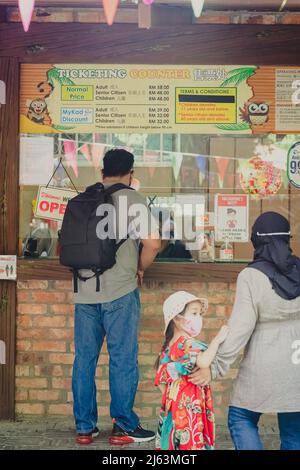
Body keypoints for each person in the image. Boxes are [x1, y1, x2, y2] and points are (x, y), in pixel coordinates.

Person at [72, 148, 161, 445]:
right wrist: (140, 268)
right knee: (122, 359)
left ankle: (85, 428)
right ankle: (123, 426)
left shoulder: (83, 199)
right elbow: (153, 242)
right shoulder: (132, 199)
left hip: (84, 292)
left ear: (102, 172)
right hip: (120, 290)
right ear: (131, 173)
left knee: (84, 360)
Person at [207, 211, 300, 450]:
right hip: (296, 364)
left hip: (263, 364)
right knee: (294, 432)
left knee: (240, 418)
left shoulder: (250, 276)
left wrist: (216, 366)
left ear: (257, 241)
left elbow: (240, 328)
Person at [154, 291, 229, 450]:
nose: (198, 318)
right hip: (189, 410)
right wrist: (218, 339)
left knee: (176, 443)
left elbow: (160, 380)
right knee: (191, 443)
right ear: (176, 318)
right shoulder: (186, 343)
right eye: (194, 313)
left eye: (199, 314)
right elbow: (203, 361)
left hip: (175, 409)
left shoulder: (168, 347)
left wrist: (175, 398)